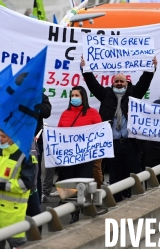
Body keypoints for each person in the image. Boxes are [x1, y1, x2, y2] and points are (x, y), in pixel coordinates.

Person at [81, 56, 157, 202]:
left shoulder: (134, 93)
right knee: (115, 175)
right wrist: (85, 69)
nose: (119, 83)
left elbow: (144, 82)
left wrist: (150, 68)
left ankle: (136, 200)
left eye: (122, 81)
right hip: (113, 143)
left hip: (131, 143)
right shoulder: (105, 95)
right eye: (117, 81)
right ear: (112, 83)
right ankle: (115, 201)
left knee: (134, 173)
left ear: (127, 82)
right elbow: (92, 84)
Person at [57, 86, 102, 222]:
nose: (74, 98)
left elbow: (100, 131)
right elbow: (59, 132)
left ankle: (85, 207)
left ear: (83, 97)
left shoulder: (92, 113)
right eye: (73, 95)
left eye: (77, 95)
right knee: (69, 182)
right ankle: (73, 211)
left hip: (85, 155)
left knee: (83, 181)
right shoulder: (65, 113)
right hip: (69, 156)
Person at [0, 130, 35, 249]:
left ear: (13, 137)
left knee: (19, 245)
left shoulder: (26, 156)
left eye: (4, 137)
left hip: (13, 214)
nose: (0, 139)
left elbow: (26, 183)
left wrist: (1, 186)